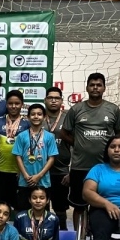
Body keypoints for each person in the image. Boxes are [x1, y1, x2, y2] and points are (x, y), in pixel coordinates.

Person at [61, 73, 120, 230]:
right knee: (79, 207)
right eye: (92, 85)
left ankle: (100, 237)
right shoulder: (76, 109)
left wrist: (113, 149)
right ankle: (79, 239)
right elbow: (64, 133)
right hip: (80, 167)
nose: (95, 88)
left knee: (103, 205)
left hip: (105, 167)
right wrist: (79, 144)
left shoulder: (113, 109)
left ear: (104, 88)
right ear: (87, 87)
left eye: (99, 85)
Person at [12, 104, 58, 211]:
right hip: (25, 181)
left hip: (43, 181)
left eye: (39, 114)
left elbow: (51, 158)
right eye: (33, 114)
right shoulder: (21, 136)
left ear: (44, 117)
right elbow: (18, 156)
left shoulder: (49, 136)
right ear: (28, 117)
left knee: (42, 212)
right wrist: (25, 175)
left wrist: (39, 176)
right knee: (23, 211)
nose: (36, 116)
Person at [0, 90, 29, 212]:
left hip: (19, 171)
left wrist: (22, 170)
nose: (13, 106)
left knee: (19, 204)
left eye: (17, 103)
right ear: (6, 104)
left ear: (22, 104)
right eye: (10, 103)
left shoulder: (27, 124)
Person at [43, 86, 71, 229]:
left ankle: (63, 234)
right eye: (50, 98)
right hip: (41, 171)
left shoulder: (68, 117)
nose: (53, 101)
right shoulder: (38, 116)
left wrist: (71, 171)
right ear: (45, 100)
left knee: (60, 209)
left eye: (57, 98)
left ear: (61, 100)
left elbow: (76, 146)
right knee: (41, 207)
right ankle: (42, 235)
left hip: (61, 171)